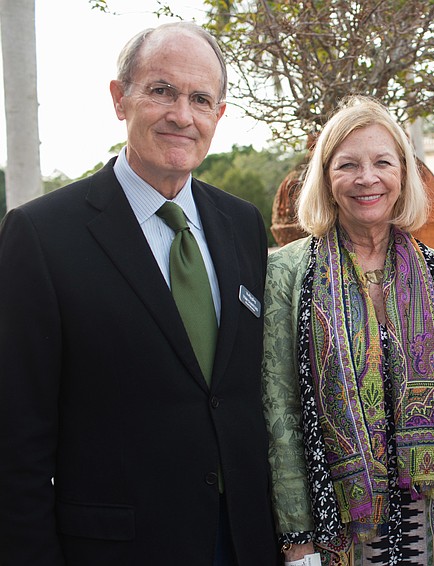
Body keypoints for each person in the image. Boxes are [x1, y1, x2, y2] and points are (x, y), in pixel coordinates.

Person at [0, 23, 277, 565]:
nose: (182, 115)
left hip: (242, 540)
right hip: (116, 548)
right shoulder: (41, 235)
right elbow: (16, 440)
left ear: (219, 115)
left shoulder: (243, 224)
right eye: (161, 91)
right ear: (119, 98)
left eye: (201, 99)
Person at [261, 95, 434, 565]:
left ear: (402, 175)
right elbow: (279, 411)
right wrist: (297, 539)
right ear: (327, 179)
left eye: (382, 162)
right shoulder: (288, 274)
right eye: (347, 164)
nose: (366, 178)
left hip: (430, 523)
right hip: (332, 524)